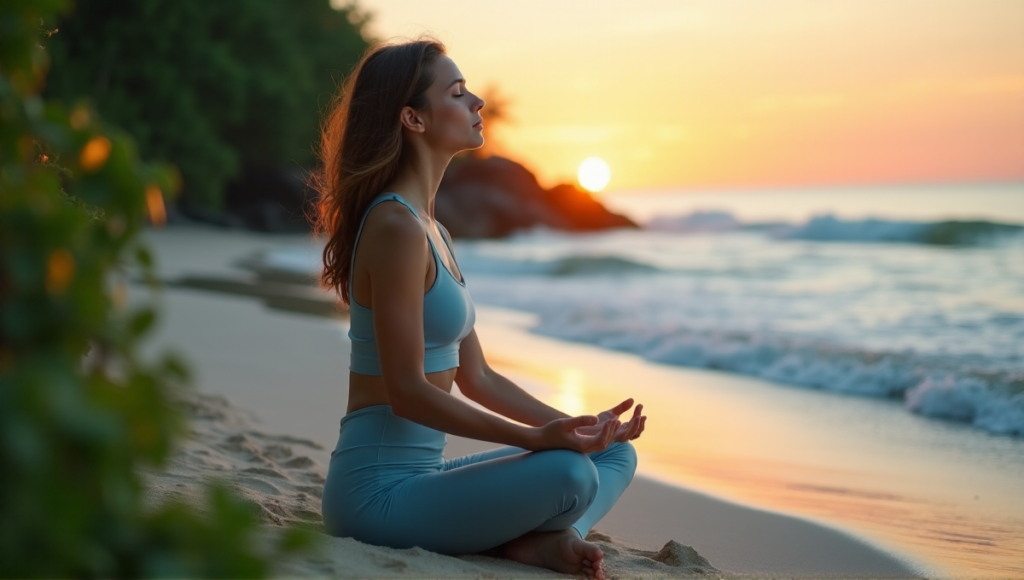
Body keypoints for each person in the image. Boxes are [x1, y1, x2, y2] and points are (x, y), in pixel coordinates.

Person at [314, 36, 647, 580]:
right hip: (374, 496)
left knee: (610, 457)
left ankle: (547, 541)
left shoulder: (434, 230)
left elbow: (478, 376)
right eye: (458, 93)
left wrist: (577, 426)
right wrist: (535, 439)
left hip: (424, 477)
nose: (478, 104)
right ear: (413, 119)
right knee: (572, 476)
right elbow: (408, 392)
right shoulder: (394, 226)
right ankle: (538, 538)